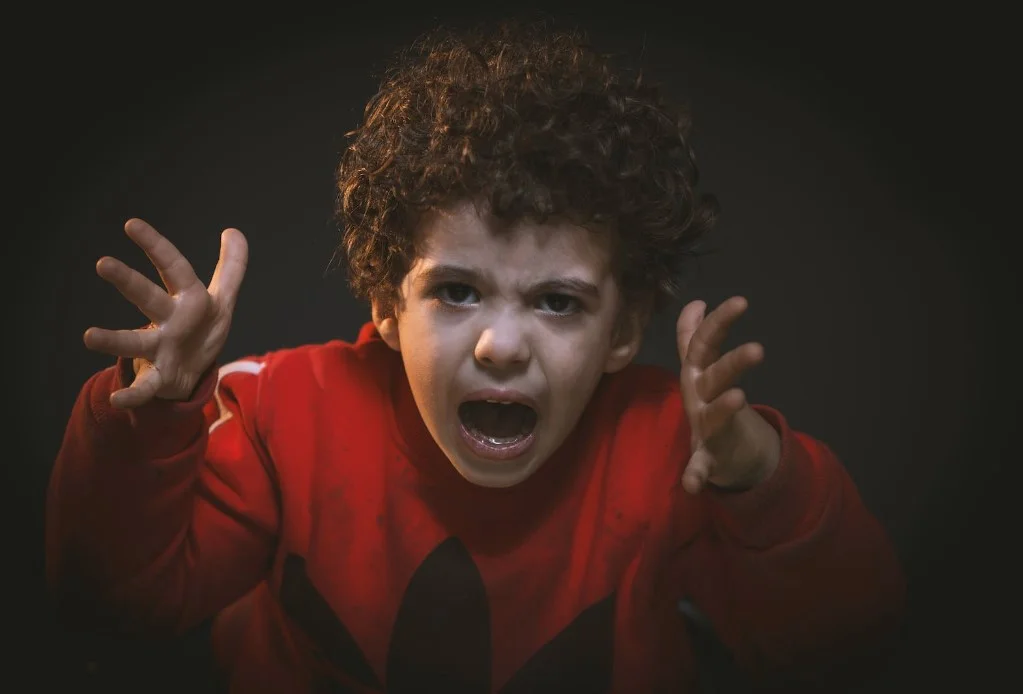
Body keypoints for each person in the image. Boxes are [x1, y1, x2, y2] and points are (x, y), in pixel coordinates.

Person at [46, 20, 905, 693]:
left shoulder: (673, 448)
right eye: (457, 291)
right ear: (386, 302)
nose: (499, 346)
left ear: (619, 330)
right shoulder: (277, 410)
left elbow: (841, 639)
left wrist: (759, 481)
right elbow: (120, 599)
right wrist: (159, 407)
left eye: (557, 302)